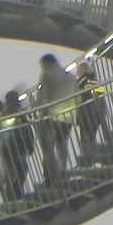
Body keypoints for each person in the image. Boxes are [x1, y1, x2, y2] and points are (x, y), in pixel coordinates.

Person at [34, 54, 79, 191]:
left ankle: (51, 176)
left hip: (52, 117)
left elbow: (41, 98)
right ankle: (62, 171)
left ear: (47, 64)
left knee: (49, 148)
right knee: (62, 145)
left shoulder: (46, 76)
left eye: (42, 65)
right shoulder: (71, 77)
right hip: (69, 116)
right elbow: (77, 97)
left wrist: (39, 116)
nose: (42, 68)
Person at [0, 89, 33, 202]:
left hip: (6, 150)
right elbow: (27, 130)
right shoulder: (19, 113)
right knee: (22, 170)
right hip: (19, 148)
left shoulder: (2, 115)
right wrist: (30, 146)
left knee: (11, 172)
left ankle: (10, 196)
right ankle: (16, 193)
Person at [74, 60, 107, 148]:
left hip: (85, 115)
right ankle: (93, 157)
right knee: (92, 139)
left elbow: (77, 97)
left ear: (82, 70)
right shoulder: (97, 82)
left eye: (78, 70)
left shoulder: (81, 83)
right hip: (97, 114)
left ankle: (88, 160)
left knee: (85, 142)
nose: (77, 73)